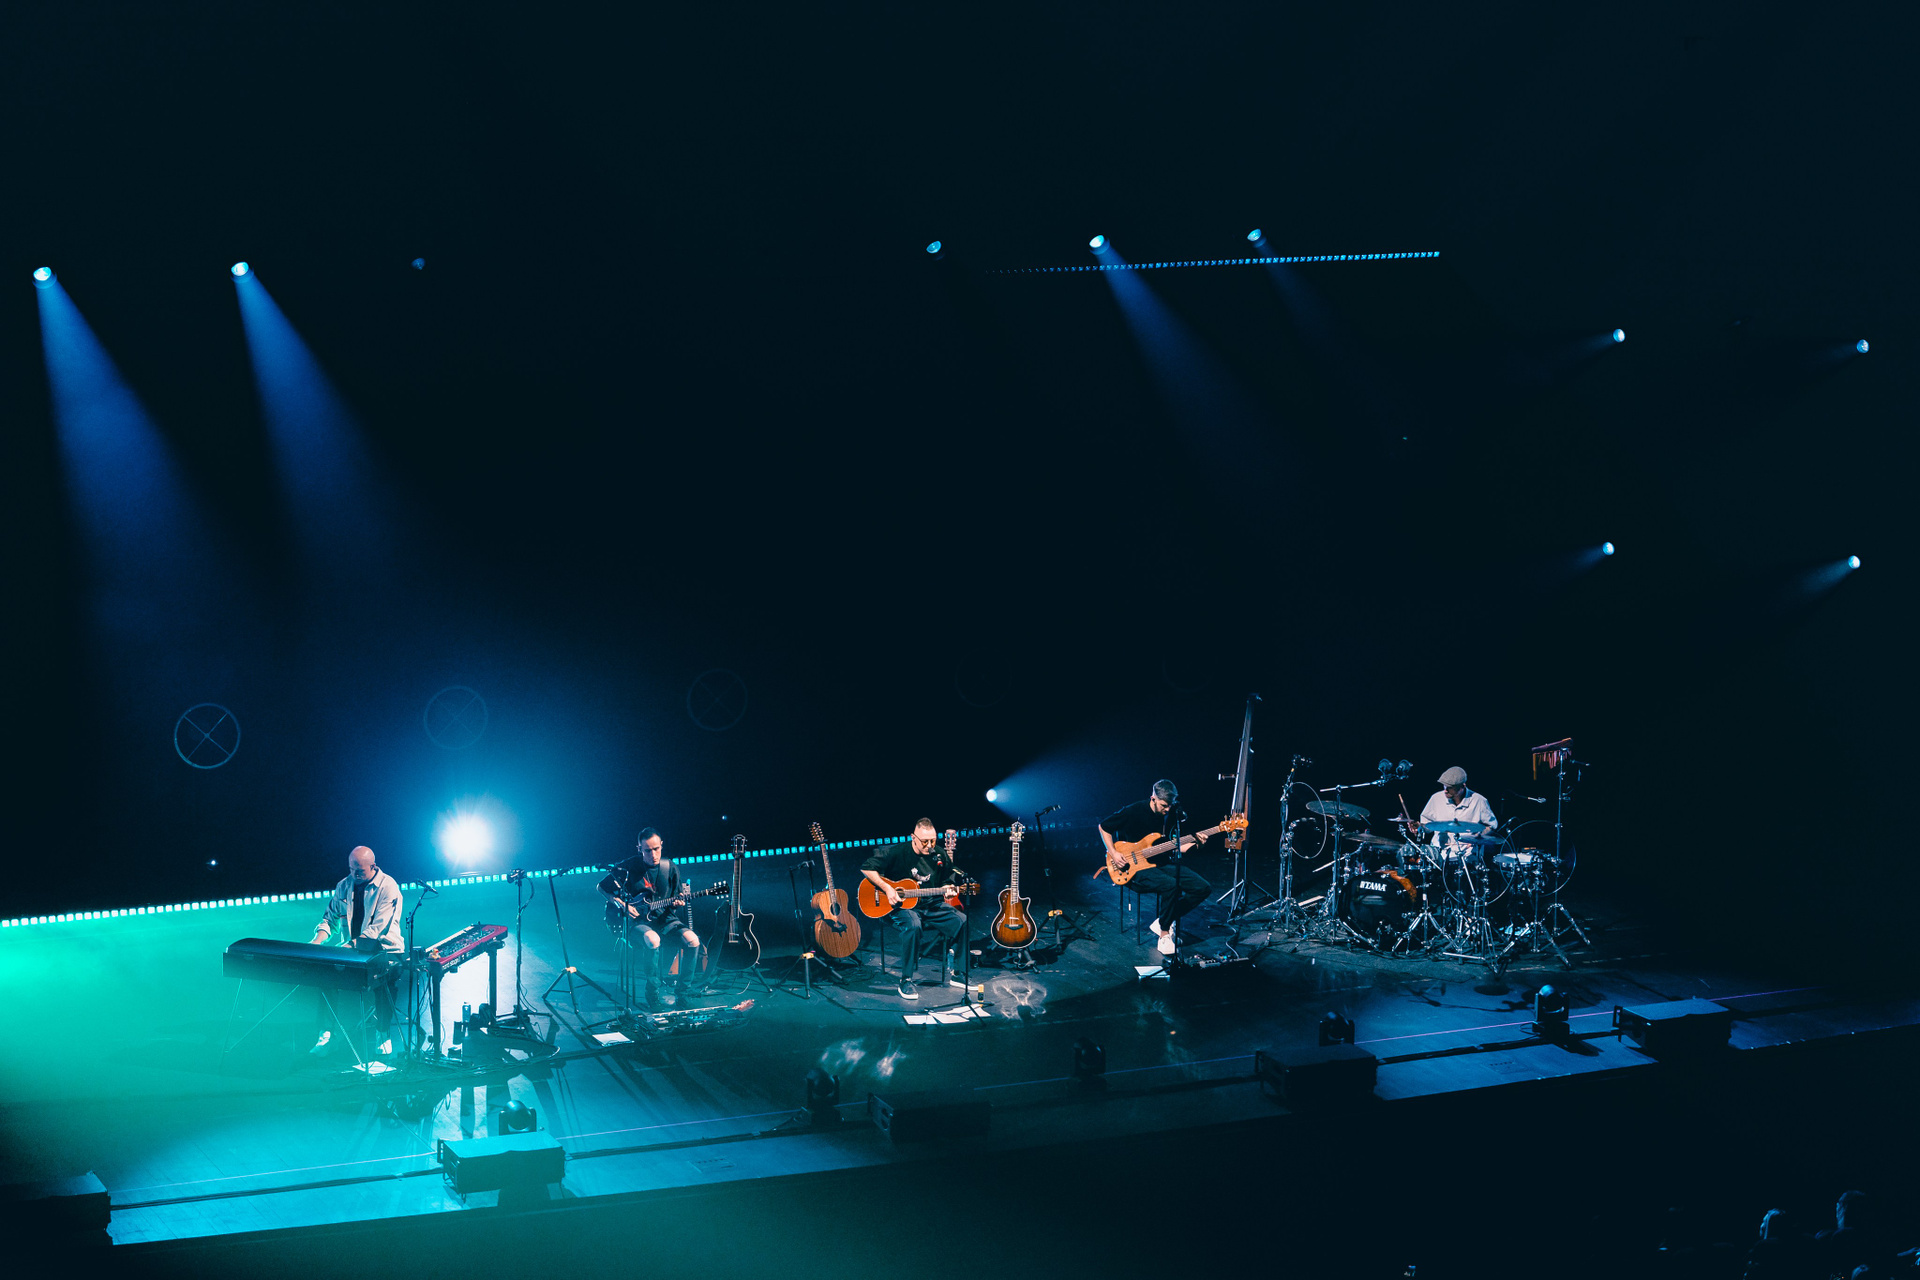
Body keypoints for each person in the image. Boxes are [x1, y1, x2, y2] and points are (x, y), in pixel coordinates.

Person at [308, 845, 404, 1057]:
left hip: (385, 950)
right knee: (323, 976)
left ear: (373, 866)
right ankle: (326, 1035)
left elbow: (377, 929)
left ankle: (383, 1032)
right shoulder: (343, 886)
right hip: (351, 951)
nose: (355, 874)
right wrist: (317, 941)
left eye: (360, 871)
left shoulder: (388, 886)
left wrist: (348, 947)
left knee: (385, 978)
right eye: (352, 869)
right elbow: (330, 919)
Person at [1097, 780, 1210, 957]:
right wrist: (1113, 852)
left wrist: (1198, 844)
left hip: (1161, 863)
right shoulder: (1134, 810)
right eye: (1164, 805)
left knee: (1202, 887)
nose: (1167, 809)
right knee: (1171, 885)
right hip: (1134, 868)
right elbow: (1104, 827)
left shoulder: (1172, 814)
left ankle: (1164, 920)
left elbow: (1176, 846)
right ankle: (1164, 934)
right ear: (1153, 799)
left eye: (1170, 805)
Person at [859, 819, 966, 1001]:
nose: (929, 845)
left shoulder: (938, 854)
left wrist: (948, 887)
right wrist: (888, 888)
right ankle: (906, 979)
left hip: (930, 905)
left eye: (933, 840)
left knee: (961, 920)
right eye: (925, 841)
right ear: (913, 838)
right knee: (914, 925)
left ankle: (957, 972)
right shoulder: (896, 852)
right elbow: (866, 868)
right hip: (900, 907)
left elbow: (948, 877)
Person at [599, 828, 701, 1009]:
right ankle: (652, 993)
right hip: (636, 922)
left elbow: (676, 897)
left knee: (693, 940)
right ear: (639, 848)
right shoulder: (628, 867)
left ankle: (683, 994)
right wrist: (622, 904)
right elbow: (601, 887)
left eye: (656, 849)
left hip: (664, 919)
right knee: (653, 939)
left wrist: (678, 903)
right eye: (647, 850)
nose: (653, 854)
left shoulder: (669, 867)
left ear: (661, 845)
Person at [1408, 766, 1499, 858]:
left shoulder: (1479, 801)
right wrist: (1419, 827)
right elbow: (1428, 826)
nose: (1445, 790)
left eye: (1450, 787)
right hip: (1440, 853)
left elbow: (1490, 826)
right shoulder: (1436, 798)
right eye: (1444, 786)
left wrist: (1475, 838)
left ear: (1462, 786)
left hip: (1468, 853)